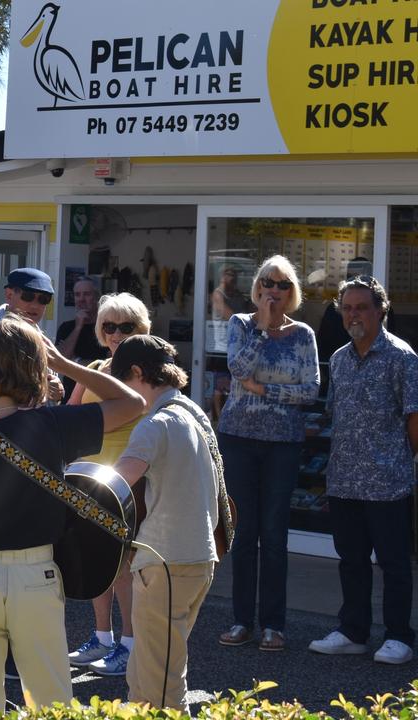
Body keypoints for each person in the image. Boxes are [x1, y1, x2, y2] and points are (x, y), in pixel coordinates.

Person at [0, 316, 145, 714]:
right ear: (37, 370)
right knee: (51, 699)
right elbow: (133, 403)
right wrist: (67, 366)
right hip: (35, 575)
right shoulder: (50, 425)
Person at [309, 276, 417, 664]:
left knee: (394, 563)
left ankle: (399, 636)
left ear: (380, 311)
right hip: (344, 481)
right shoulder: (338, 359)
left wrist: (402, 463)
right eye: (347, 308)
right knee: (351, 561)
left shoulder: (402, 358)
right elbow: (334, 415)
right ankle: (353, 631)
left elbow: (414, 421)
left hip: (388, 483)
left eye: (362, 307)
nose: (353, 315)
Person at [110, 336, 220, 709]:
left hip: (164, 562)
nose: (124, 396)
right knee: (144, 674)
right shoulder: (195, 412)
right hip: (199, 559)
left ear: (138, 373)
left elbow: (113, 487)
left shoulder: (154, 425)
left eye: (124, 383)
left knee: (162, 686)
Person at [216, 255, 319, 652]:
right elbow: (237, 367)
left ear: (292, 292)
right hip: (240, 439)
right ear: (257, 287)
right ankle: (242, 621)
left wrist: (266, 390)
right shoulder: (240, 324)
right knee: (243, 534)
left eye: (283, 285)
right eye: (268, 283)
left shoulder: (304, 334)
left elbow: (310, 390)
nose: (274, 291)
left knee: (275, 535)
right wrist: (261, 327)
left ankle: (274, 624)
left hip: (283, 444)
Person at [64, 292, 151, 676]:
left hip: (129, 481)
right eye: (109, 326)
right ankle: (102, 636)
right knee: (97, 561)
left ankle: (130, 645)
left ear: (141, 329)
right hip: (90, 480)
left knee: (125, 566)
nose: (116, 334)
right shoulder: (96, 366)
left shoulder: (147, 372)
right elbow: (68, 416)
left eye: (125, 326)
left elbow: (132, 418)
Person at [0, 267, 65, 403]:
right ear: (9, 295)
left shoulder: (33, 330)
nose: (35, 305)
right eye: (28, 296)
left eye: (43, 299)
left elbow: (52, 389)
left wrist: (58, 391)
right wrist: (40, 388)